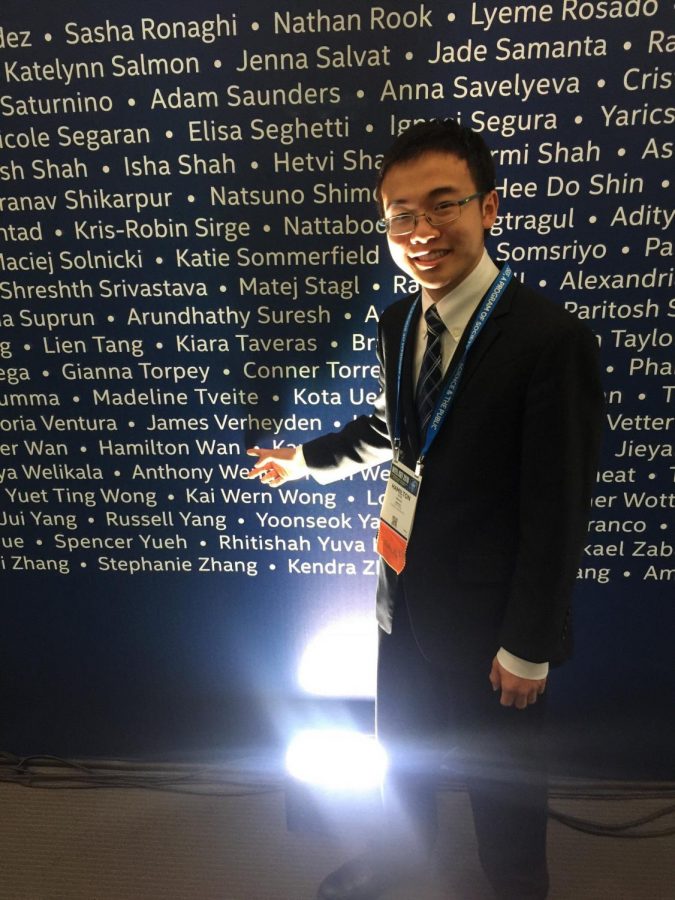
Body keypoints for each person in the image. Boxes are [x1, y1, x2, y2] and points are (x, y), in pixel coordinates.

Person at [247, 120, 604, 900]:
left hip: (490, 621)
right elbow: (394, 430)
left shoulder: (550, 339)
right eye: (400, 215)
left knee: (503, 787)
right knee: (400, 754)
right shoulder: (399, 320)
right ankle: (397, 867)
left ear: (489, 208)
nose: (421, 231)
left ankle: (513, 886)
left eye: (443, 205)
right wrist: (304, 461)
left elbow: (558, 508)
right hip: (400, 595)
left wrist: (529, 647)